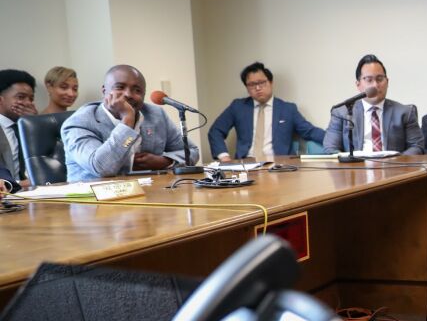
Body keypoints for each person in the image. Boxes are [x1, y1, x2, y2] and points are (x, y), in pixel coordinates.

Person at [62, 64, 199, 181]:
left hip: (149, 194)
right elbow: (101, 168)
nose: (128, 94)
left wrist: (165, 161)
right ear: (104, 91)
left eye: (137, 90)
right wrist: (127, 120)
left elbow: (192, 152)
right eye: (120, 87)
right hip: (93, 203)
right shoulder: (80, 122)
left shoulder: (156, 115)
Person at [208, 61, 325, 162]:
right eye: (252, 85)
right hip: (246, 165)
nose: (258, 88)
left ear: (271, 82)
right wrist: (224, 156)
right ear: (247, 88)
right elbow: (216, 131)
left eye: (261, 82)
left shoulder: (288, 109)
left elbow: (309, 131)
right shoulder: (238, 107)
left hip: (280, 166)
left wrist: (338, 139)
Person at [323, 54, 422, 155]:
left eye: (380, 79)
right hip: (355, 169)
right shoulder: (341, 113)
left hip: (393, 167)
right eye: (369, 80)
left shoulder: (405, 113)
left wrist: (396, 163)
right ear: (358, 85)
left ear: (387, 82)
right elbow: (331, 149)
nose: (375, 85)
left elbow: (417, 146)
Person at [0, 69, 36, 183]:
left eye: (31, 99)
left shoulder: (29, 127)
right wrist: (20, 184)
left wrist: (34, 124)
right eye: (21, 97)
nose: (28, 103)